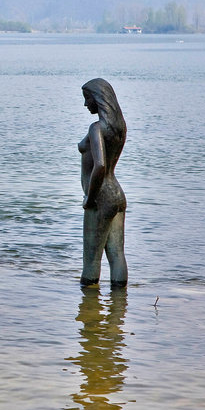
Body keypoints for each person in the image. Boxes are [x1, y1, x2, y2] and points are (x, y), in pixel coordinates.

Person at [78, 78, 127, 288]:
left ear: (98, 99)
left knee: (91, 259)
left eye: (87, 99)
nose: (85, 104)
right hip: (117, 194)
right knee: (117, 255)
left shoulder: (96, 128)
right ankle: (118, 309)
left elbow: (100, 166)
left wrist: (90, 198)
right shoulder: (120, 128)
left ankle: (89, 310)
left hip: (101, 197)